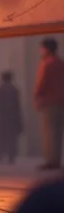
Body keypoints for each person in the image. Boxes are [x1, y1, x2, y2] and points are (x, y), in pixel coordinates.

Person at [34, 38, 64, 170]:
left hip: (49, 102)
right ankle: (56, 160)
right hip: (61, 101)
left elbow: (41, 83)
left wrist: (36, 97)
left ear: (47, 49)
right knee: (58, 133)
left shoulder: (46, 64)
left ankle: (50, 161)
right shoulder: (61, 63)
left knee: (49, 132)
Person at [0, 70, 22, 164]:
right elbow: (17, 106)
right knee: (12, 138)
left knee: (1, 137)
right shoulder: (15, 90)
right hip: (12, 117)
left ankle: (0, 155)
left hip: (1, 117)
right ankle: (11, 156)